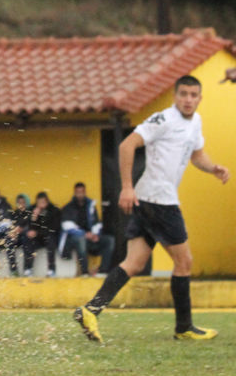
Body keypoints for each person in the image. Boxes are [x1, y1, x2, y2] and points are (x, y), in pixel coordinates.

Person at [74, 75, 229, 343]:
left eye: (194, 95)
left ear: (200, 98)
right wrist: (126, 187)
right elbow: (126, 145)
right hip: (160, 201)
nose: (188, 100)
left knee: (134, 263)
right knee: (185, 262)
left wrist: (213, 168)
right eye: (184, 94)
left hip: (151, 201)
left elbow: (197, 155)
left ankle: (90, 310)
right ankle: (184, 327)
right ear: (175, 96)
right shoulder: (164, 119)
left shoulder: (196, 123)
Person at [60, 181, 116, 276]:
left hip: (89, 237)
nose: (80, 194)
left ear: (85, 192)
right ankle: (84, 272)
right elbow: (67, 227)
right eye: (78, 192)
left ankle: (102, 271)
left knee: (109, 240)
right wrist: (84, 234)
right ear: (74, 192)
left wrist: (95, 235)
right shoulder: (68, 208)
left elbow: (97, 223)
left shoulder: (91, 206)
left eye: (82, 192)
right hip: (73, 240)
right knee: (81, 240)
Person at [22, 191, 60, 277]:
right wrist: (34, 217)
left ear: (47, 201)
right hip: (37, 238)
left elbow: (53, 228)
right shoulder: (32, 209)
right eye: (39, 203)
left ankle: (51, 269)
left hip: (49, 236)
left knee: (50, 240)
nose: (41, 205)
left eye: (43, 202)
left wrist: (38, 231)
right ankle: (28, 269)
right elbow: (29, 226)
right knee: (28, 240)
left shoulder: (53, 210)